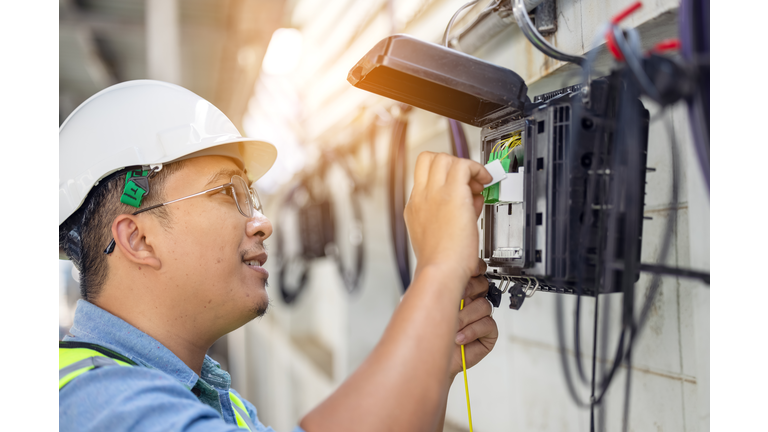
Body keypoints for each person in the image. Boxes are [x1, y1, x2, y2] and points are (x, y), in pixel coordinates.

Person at [59, 80, 498, 432]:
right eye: (228, 192)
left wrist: (433, 359)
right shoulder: (95, 404)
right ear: (138, 240)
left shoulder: (213, 401)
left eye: (251, 196)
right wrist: (439, 270)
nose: (262, 222)